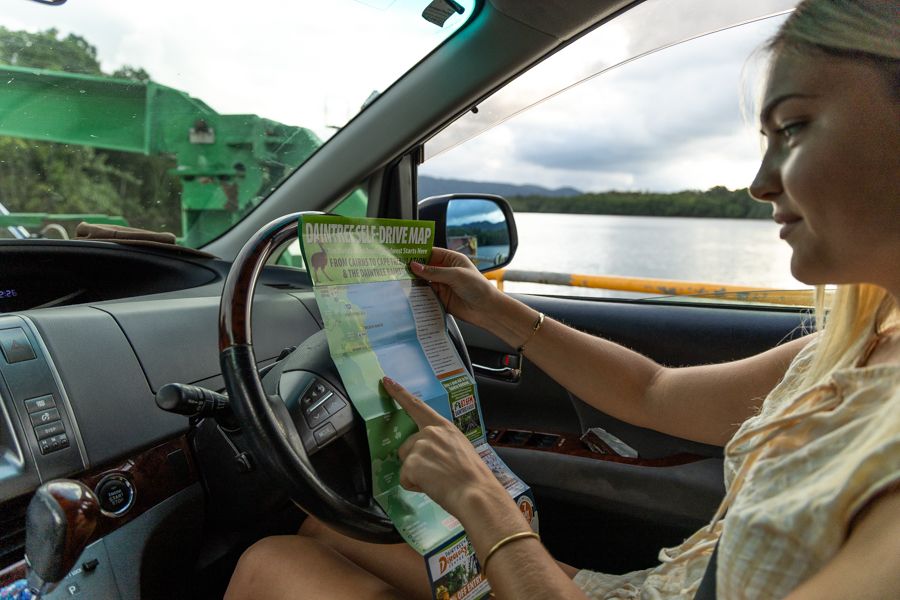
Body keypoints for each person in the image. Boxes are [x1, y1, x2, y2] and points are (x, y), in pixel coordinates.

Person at [224, 0, 899, 597]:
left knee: (271, 564)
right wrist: (492, 308)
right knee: (324, 530)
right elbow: (653, 392)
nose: (758, 183)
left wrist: (479, 500)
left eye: (793, 127)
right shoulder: (856, 351)